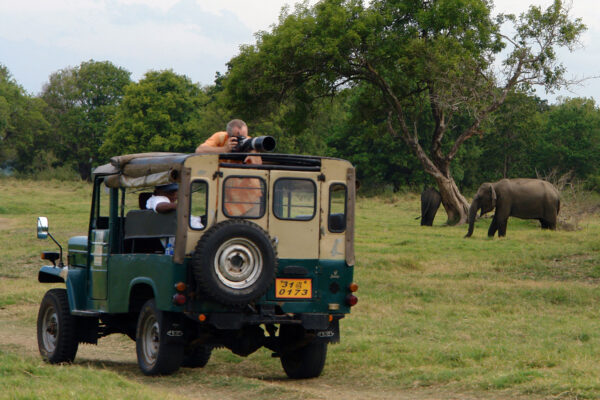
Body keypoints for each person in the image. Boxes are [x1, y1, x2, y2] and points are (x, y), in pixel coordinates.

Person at [195, 119, 262, 165]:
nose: (243, 141)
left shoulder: (249, 143)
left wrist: (253, 152)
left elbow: (258, 165)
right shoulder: (220, 137)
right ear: (229, 136)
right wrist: (225, 149)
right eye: (239, 138)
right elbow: (199, 150)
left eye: (245, 137)